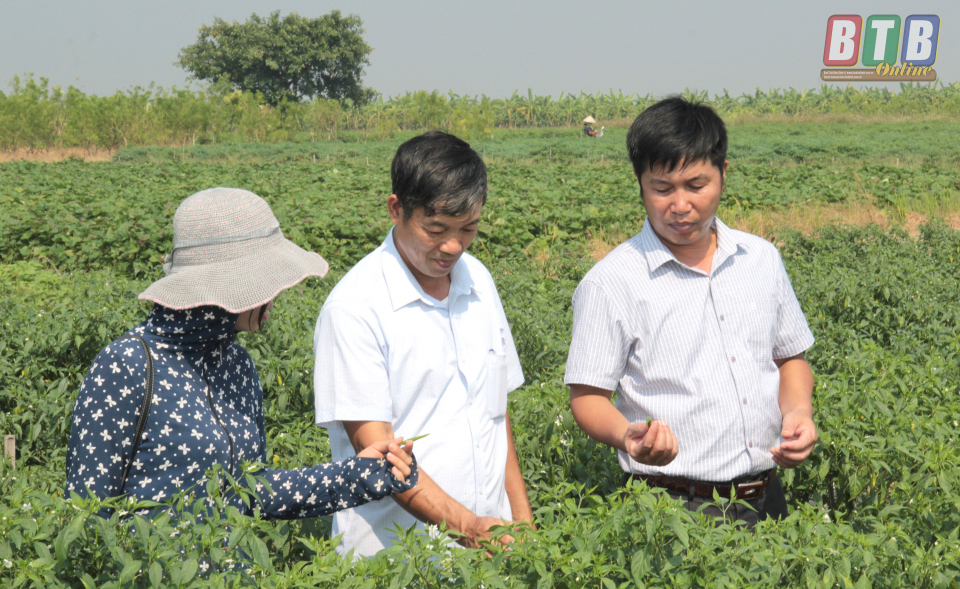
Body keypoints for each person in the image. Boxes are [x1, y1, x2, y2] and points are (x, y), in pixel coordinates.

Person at [65, 187, 418, 522]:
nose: (274, 296)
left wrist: (358, 475)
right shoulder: (126, 366)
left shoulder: (236, 364)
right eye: (266, 282)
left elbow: (253, 491)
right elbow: (86, 514)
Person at [565, 97, 817, 526]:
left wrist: (798, 413)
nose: (680, 205)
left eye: (696, 186)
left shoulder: (761, 259)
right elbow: (587, 396)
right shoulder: (611, 282)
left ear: (723, 174)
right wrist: (628, 437)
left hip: (767, 499)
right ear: (639, 183)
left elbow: (790, 359)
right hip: (672, 508)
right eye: (662, 188)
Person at [313, 131, 531, 558]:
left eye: (468, 229)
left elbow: (494, 415)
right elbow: (378, 452)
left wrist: (523, 524)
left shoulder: (479, 282)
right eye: (436, 229)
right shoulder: (355, 308)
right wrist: (467, 527)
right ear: (396, 209)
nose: (453, 246)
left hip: (492, 550)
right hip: (397, 560)